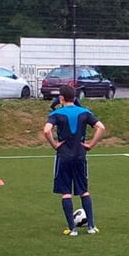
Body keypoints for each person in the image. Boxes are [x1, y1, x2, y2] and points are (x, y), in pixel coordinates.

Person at [43, 84, 106, 236]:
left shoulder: (57, 113)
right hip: (80, 156)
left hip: (63, 156)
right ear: (75, 98)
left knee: (66, 192)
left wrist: (55, 145)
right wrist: (90, 144)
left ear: (61, 98)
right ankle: (91, 227)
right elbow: (101, 127)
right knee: (84, 191)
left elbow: (46, 131)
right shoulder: (85, 112)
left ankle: (72, 229)